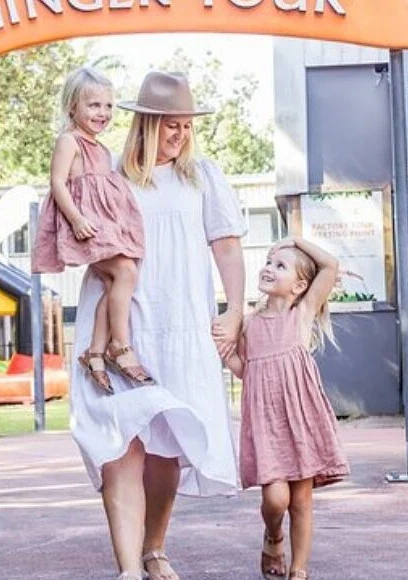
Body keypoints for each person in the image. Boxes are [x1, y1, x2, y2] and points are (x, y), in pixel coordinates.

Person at [69, 70, 246, 580]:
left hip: (182, 323)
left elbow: (227, 246)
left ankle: (153, 547)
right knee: (122, 447)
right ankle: (128, 568)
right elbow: (83, 241)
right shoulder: (111, 177)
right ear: (145, 124)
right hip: (125, 322)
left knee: (168, 447)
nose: (181, 136)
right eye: (172, 126)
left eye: (187, 127)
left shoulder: (203, 177)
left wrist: (234, 311)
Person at [224, 236, 350, 580]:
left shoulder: (302, 313)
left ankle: (299, 570)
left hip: (302, 417)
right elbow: (246, 370)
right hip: (266, 420)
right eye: (268, 261)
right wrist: (227, 354)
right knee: (276, 500)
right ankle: (274, 536)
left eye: (280, 265)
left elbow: (330, 266)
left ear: (299, 286)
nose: (268, 268)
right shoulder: (248, 323)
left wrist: (294, 239)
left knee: (301, 501)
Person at [32, 66, 153, 394]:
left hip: (104, 225)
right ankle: (121, 346)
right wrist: (76, 219)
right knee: (126, 271)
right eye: (94, 105)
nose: (103, 113)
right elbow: (57, 182)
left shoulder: (102, 149)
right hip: (83, 227)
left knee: (116, 280)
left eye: (108, 106)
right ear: (73, 107)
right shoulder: (69, 141)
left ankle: (95, 353)